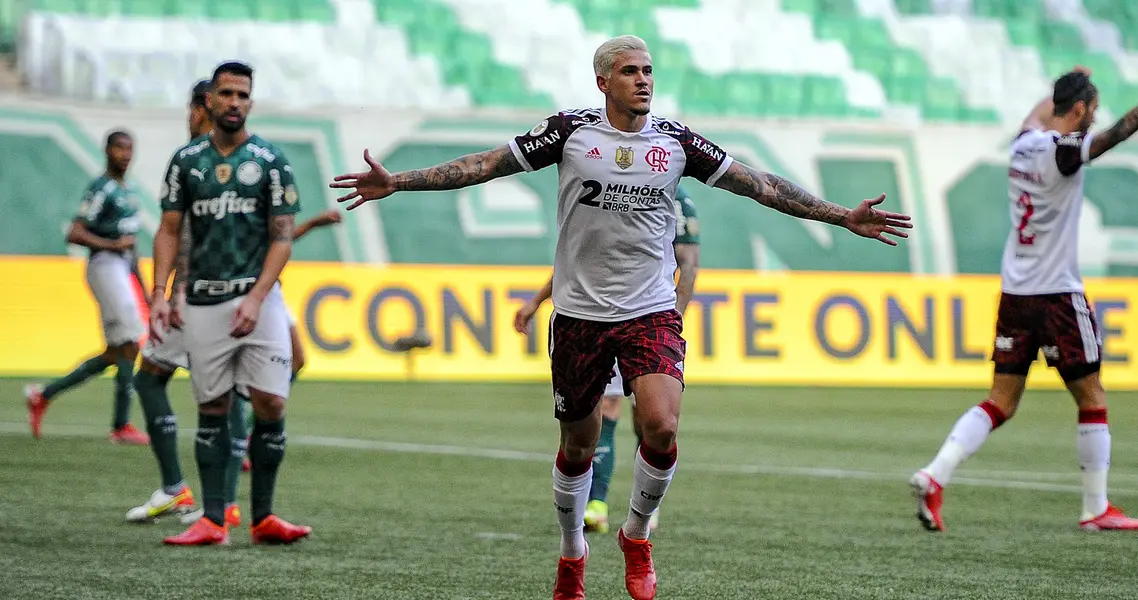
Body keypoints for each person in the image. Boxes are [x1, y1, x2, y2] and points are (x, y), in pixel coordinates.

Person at [331, 35, 910, 600]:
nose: (644, 81)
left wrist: (840, 216)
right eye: (631, 72)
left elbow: (758, 185)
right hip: (580, 316)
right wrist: (398, 182)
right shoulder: (569, 132)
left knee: (661, 426)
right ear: (603, 80)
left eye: (649, 71)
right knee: (579, 446)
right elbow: (486, 164)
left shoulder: (675, 142)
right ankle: (571, 553)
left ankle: (636, 536)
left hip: (650, 311)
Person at [909, 60, 1138, 533]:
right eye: (1092, 111)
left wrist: (1059, 89)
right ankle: (1095, 508)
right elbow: (1122, 131)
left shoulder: (1024, 144)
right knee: (1092, 396)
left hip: (1016, 293)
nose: (1096, 120)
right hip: (1057, 294)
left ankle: (934, 474)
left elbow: (1041, 115)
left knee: (1000, 399)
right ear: (1080, 110)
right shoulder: (1064, 154)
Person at [126, 78, 342, 526]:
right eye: (224, 96)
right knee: (217, 393)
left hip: (231, 292)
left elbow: (270, 236)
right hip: (203, 294)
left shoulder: (252, 161)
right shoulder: (189, 163)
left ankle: (193, 492)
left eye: (240, 96)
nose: (195, 113)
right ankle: (217, 500)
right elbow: (173, 235)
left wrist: (176, 292)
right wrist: (165, 292)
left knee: (178, 384)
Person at [513, 184, 700, 536]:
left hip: (649, 319)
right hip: (599, 319)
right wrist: (536, 301)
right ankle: (596, 503)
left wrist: (671, 319)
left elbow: (688, 264)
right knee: (606, 406)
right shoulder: (606, 188)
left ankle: (644, 508)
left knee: (651, 419)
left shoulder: (675, 197)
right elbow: (579, 264)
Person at [25, 130, 151, 446]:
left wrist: (147, 290)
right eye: (119, 148)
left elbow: (131, 245)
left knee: (117, 351)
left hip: (122, 267)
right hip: (104, 265)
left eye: (130, 149)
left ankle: (44, 395)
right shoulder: (102, 188)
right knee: (130, 342)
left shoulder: (130, 191)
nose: (125, 154)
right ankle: (121, 426)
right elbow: (75, 233)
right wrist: (111, 243)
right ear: (107, 150)